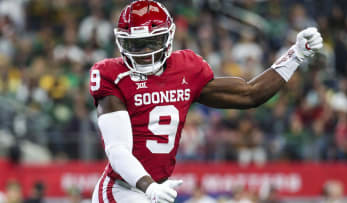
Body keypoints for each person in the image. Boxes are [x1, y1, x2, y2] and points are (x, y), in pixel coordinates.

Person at [89, 1, 323, 203]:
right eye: (137, 44)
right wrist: (149, 186)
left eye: (152, 42)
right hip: (121, 190)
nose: (145, 52)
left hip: (153, 189)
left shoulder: (185, 70)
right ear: (122, 43)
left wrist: (296, 54)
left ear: (169, 36)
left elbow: (250, 94)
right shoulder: (112, 75)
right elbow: (117, 149)